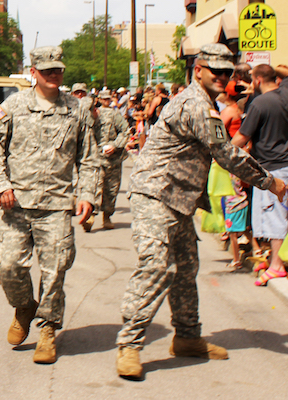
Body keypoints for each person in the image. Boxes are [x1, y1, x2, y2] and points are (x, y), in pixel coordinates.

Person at [115, 44, 286, 381]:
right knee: (155, 268)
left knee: (186, 270)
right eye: (216, 71)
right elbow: (226, 154)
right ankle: (129, 345)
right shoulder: (196, 104)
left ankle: (188, 337)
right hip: (156, 194)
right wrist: (270, 182)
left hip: (178, 198)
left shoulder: (208, 104)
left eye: (228, 72)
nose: (224, 77)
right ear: (198, 71)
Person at [0, 46, 100, 365]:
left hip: (57, 206)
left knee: (55, 270)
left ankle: (47, 330)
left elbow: (89, 159)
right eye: (46, 70)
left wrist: (88, 195)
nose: (54, 75)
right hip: (16, 205)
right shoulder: (14, 106)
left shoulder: (77, 109)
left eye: (58, 70)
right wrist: (1, 184)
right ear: (32, 72)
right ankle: (23, 305)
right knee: (7, 266)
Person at [232, 64, 288, 286]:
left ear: (256, 80)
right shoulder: (283, 98)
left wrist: (220, 152)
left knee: (272, 216)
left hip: (271, 168)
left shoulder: (261, 103)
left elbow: (242, 137)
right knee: (275, 215)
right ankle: (271, 258)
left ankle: (276, 265)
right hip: (282, 164)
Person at [87, 89, 129, 231]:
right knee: (94, 187)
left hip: (113, 159)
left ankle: (107, 216)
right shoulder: (92, 114)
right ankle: (91, 214)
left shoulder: (115, 115)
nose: (106, 101)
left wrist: (115, 145)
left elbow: (125, 131)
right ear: (99, 99)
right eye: (103, 99)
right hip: (96, 158)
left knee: (111, 189)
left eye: (108, 99)